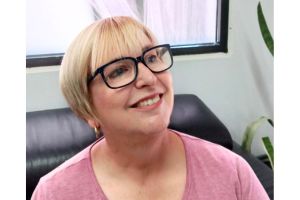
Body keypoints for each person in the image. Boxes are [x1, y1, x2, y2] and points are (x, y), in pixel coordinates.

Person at [31, 16, 269, 200]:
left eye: (152, 58)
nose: (148, 77)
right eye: (119, 70)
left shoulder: (231, 172)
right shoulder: (54, 192)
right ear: (87, 110)